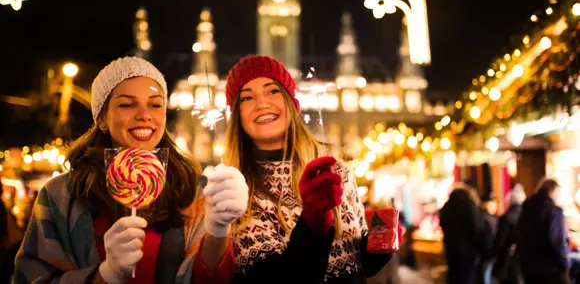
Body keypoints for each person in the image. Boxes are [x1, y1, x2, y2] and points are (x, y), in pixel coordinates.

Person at [14, 56, 248, 283]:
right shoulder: (60, 196)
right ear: (102, 118)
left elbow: (212, 279)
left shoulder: (192, 193)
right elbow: (30, 278)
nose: (145, 115)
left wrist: (218, 229)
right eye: (127, 104)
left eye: (155, 105)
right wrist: (105, 276)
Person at [222, 55, 392, 283]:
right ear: (237, 117)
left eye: (273, 91)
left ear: (292, 103)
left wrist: (380, 244)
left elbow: (357, 264)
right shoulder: (236, 189)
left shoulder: (337, 170)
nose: (262, 103)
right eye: (247, 98)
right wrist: (312, 226)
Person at [518, 178, 570, 284]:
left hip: (528, 267)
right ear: (552, 192)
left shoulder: (526, 209)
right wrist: (564, 263)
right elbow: (557, 241)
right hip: (550, 269)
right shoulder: (553, 212)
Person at [440, 184, 491, 284]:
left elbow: (443, 226)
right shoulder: (470, 205)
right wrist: (483, 250)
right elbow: (478, 229)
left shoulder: (446, 206)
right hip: (468, 253)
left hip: (451, 251)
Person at [492, 184, 525, 284]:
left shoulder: (506, 218)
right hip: (523, 259)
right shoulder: (527, 216)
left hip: (508, 258)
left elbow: (500, 241)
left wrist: (492, 254)